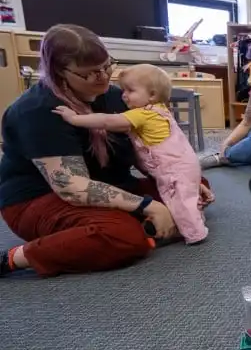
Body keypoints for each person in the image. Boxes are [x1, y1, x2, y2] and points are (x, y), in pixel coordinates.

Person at [0, 24, 214, 277]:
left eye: (106, 66)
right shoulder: (36, 111)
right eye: (90, 73)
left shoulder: (116, 97)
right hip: (40, 199)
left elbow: (148, 146)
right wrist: (149, 206)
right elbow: (72, 187)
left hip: (108, 183)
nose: (103, 76)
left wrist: (181, 176)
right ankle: (17, 258)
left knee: (190, 185)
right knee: (126, 237)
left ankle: (132, 227)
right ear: (60, 71)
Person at [52, 64, 208, 245]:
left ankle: (194, 234)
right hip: (183, 165)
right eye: (124, 89)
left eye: (130, 90)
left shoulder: (142, 114)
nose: (123, 95)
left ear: (152, 95)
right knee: (186, 197)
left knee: (179, 201)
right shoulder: (159, 111)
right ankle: (192, 219)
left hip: (173, 169)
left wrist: (74, 119)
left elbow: (108, 120)